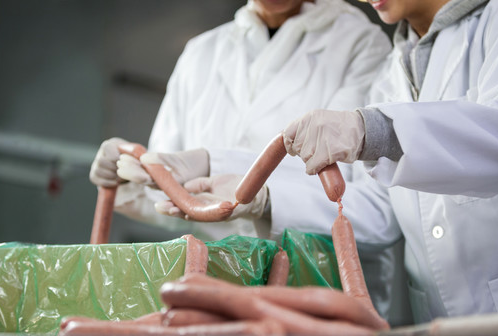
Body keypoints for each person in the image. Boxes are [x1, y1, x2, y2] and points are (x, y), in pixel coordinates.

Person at [89, 0, 400, 318]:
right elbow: (167, 198)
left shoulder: (361, 44)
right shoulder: (201, 52)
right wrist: (127, 176)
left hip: (320, 302)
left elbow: (370, 208)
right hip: (210, 297)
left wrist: (265, 199)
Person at [281, 0, 498, 323]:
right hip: (436, 321)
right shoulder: (389, 74)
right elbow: (379, 209)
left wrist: (373, 131)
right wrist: (262, 198)